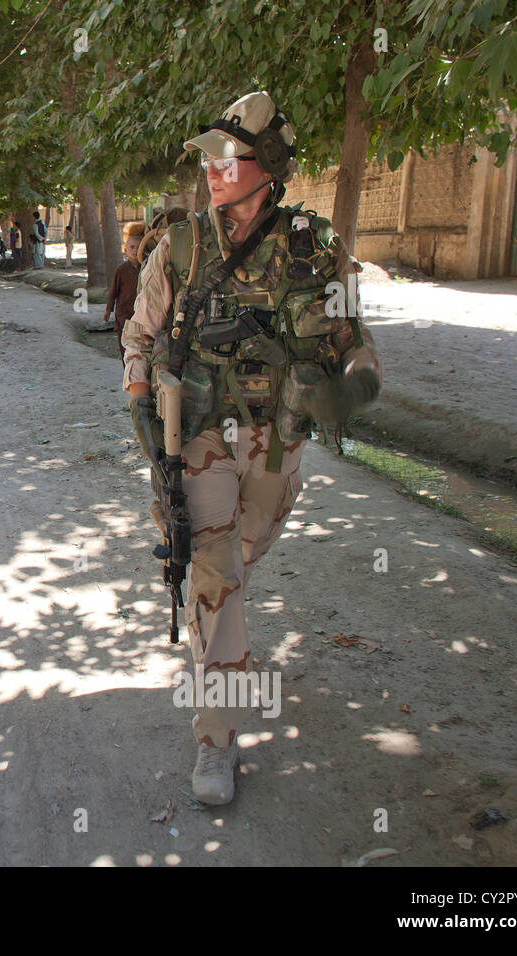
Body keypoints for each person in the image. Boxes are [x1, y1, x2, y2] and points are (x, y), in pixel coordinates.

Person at [122, 91, 382, 805]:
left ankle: (223, 640)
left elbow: (356, 343)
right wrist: (143, 407)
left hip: (275, 447)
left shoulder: (314, 249)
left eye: (227, 157)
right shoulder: (179, 246)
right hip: (202, 438)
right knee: (215, 577)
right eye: (208, 156)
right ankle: (216, 741)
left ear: (268, 166)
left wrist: (353, 390)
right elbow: (138, 339)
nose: (212, 169)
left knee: (240, 560)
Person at [103, 222, 145, 360]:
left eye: (138, 248)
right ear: (125, 249)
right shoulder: (121, 270)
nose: (135, 250)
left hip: (140, 315)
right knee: (124, 347)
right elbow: (113, 291)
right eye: (132, 247)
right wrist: (108, 309)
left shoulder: (146, 269)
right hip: (123, 315)